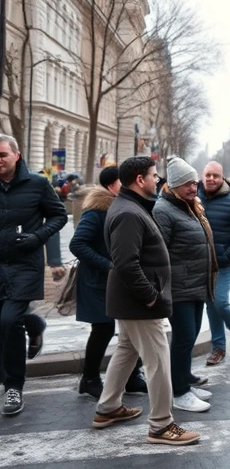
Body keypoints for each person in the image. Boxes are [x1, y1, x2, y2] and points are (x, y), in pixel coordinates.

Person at [94, 155, 200, 445]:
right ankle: (161, 425)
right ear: (140, 180)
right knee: (158, 362)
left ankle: (108, 407)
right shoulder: (129, 212)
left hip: (131, 302)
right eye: (154, 175)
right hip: (139, 304)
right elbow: (127, 263)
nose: (158, 180)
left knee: (127, 351)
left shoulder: (131, 206)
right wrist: (151, 298)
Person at [0, 134, 67, 416]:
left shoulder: (37, 184)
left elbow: (59, 216)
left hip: (24, 265)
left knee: (8, 320)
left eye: (2, 155)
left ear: (17, 155)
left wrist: (36, 238)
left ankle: (13, 386)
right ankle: (35, 323)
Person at [70, 165, 147, 399]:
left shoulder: (123, 207)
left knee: (130, 329)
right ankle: (90, 378)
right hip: (97, 282)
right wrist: (108, 265)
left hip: (117, 280)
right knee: (103, 329)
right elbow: (77, 244)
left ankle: (133, 377)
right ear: (113, 186)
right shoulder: (96, 211)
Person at [153, 157, 217, 413]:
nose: (194, 187)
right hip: (179, 287)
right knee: (184, 337)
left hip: (196, 284)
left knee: (187, 338)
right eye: (188, 184)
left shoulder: (189, 206)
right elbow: (159, 253)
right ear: (175, 186)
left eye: (194, 182)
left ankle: (184, 380)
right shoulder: (163, 210)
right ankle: (178, 392)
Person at [198, 161, 230, 366]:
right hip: (201, 263)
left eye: (215, 176)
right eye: (208, 175)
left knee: (220, 301)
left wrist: (228, 255)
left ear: (222, 178)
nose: (211, 179)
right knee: (211, 306)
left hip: (224, 263)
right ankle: (218, 348)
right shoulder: (194, 197)